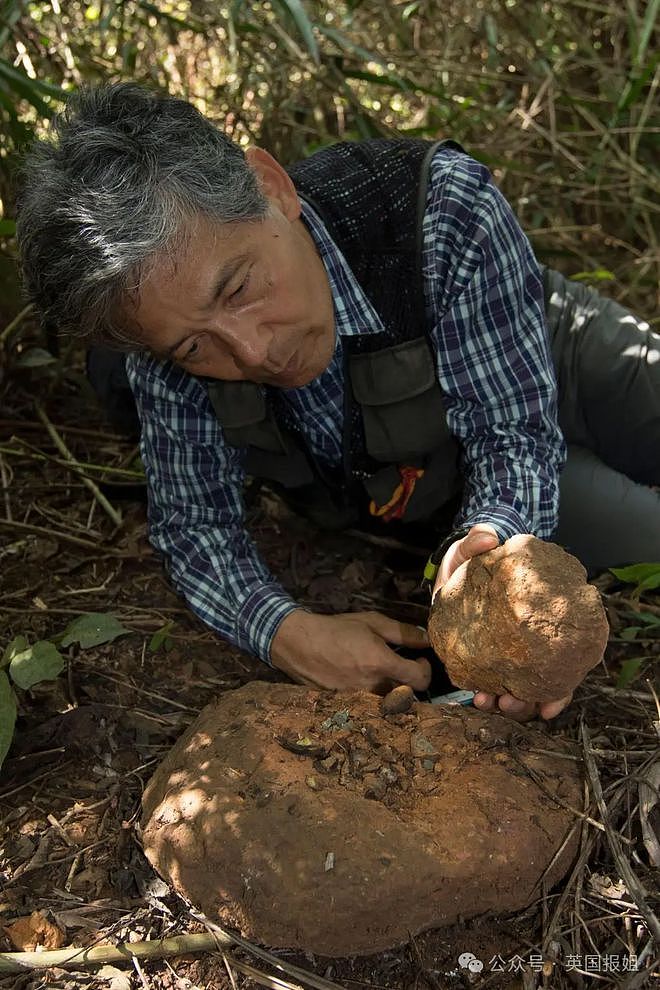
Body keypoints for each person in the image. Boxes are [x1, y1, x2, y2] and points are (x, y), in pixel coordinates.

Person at [16, 84, 660, 722]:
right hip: (427, 467)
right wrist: (285, 631)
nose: (251, 353)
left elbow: (512, 428)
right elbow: (194, 526)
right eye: (193, 346)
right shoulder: (160, 345)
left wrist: (497, 531)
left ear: (271, 186)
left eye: (239, 287)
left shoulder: (439, 208)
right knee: (647, 533)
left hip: (536, 347)